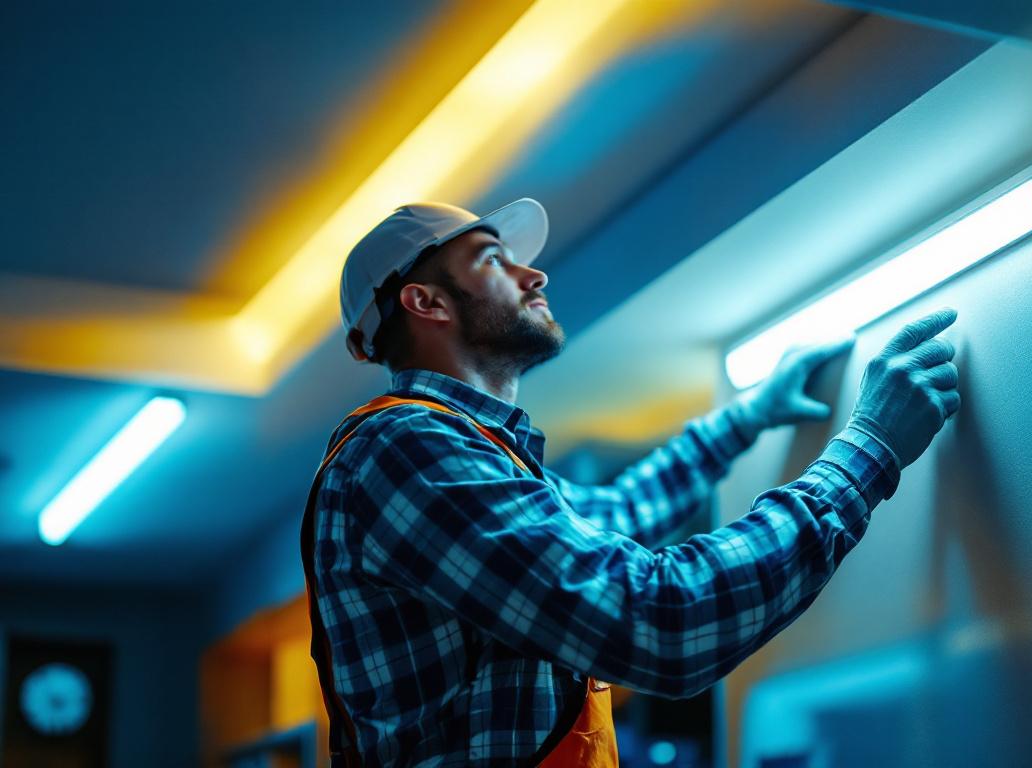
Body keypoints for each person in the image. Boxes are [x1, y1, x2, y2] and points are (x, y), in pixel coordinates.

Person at [303, 198, 960, 767]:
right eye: (492, 260)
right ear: (426, 302)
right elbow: (658, 621)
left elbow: (617, 514)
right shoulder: (405, 450)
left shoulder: (470, 455)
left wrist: (749, 416)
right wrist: (866, 454)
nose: (534, 273)